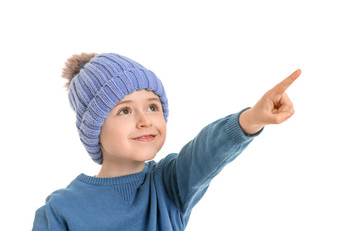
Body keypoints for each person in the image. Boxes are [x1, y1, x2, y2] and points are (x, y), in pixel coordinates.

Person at [32, 52, 301, 230]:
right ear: (94, 128)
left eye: (152, 107)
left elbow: (207, 150)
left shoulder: (169, 184)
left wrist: (251, 119)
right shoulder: (60, 209)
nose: (145, 120)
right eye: (124, 110)